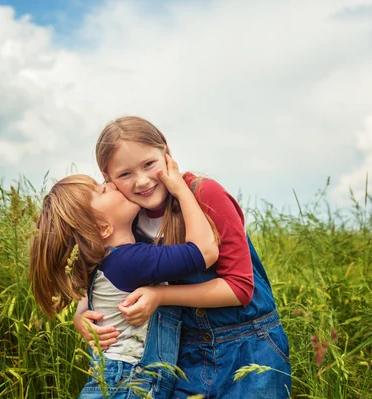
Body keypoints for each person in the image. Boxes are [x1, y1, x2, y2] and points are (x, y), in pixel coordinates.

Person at [74, 116, 292, 398]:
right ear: (109, 180)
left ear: (166, 153)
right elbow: (105, 270)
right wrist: (81, 316)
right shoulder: (127, 217)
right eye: (124, 175)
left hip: (249, 348)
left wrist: (161, 296)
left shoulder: (203, 193)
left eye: (149, 164)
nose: (142, 181)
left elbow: (240, 288)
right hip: (183, 356)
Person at [29, 155, 219, 398]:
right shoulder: (129, 261)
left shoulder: (109, 262)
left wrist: (79, 315)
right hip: (128, 383)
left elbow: (89, 296)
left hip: (115, 381)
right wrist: (182, 191)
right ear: (103, 229)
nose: (110, 185)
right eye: (101, 191)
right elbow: (205, 252)